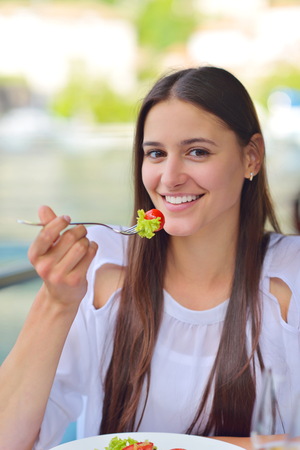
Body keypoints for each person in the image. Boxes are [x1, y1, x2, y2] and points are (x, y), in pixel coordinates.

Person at [0, 66, 299, 450]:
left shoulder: (292, 275)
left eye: (197, 152)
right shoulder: (99, 265)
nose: (169, 177)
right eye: (155, 153)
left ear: (251, 158)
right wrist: (55, 304)